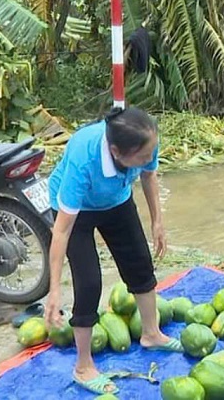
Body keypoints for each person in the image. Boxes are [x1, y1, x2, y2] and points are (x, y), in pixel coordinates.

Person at [44, 107, 180, 395]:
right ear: (117, 152)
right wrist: (54, 289)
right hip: (75, 212)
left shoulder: (144, 141)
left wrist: (157, 221)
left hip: (116, 201)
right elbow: (62, 231)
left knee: (141, 263)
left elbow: (148, 176)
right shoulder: (84, 159)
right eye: (141, 157)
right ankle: (83, 366)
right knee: (89, 282)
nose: (148, 159)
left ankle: (151, 334)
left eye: (150, 153)